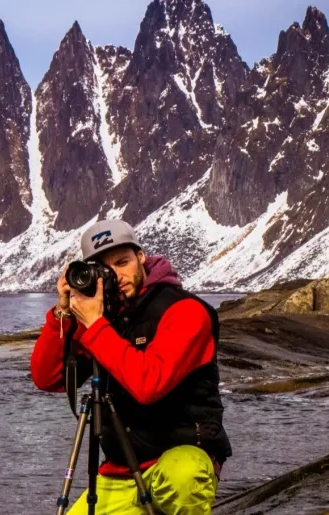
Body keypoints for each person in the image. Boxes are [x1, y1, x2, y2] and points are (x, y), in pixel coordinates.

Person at [30, 219, 232, 515]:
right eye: (105, 269)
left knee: (183, 479)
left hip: (182, 457)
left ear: (141, 257)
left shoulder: (185, 311)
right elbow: (48, 378)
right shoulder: (104, 318)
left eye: (123, 261)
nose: (117, 275)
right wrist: (62, 314)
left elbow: (149, 384)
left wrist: (96, 326)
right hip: (122, 469)